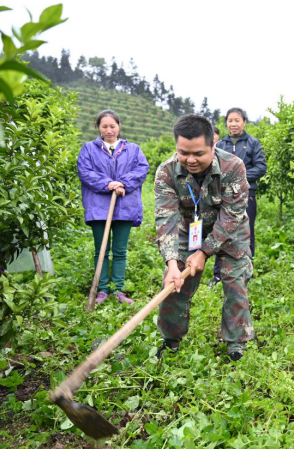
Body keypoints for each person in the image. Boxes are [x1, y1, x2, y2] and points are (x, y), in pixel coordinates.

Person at [154, 114, 255, 361]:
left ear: (213, 146)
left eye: (198, 153)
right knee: (175, 284)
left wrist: (204, 252)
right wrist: (171, 263)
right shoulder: (166, 172)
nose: (190, 160)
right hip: (190, 230)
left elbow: (232, 214)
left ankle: (236, 344)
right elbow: (166, 220)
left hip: (230, 230)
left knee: (235, 282)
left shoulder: (234, 167)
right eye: (183, 153)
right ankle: (171, 340)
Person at [77, 109, 149, 305]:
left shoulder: (133, 149)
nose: (109, 130)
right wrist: (108, 184)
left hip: (125, 206)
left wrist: (123, 183)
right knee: (101, 250)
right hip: (98, 206)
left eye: (112, 126)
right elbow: (85, 171)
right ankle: (101, 290)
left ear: (119, 126)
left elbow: (142, 168)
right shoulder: (89, 148)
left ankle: (118, 290)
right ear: (98, 128)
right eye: (104, 126)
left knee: (120, 251)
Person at [209, 108, 267, 286]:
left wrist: (238, 176)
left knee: (246, 231)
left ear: (244, 122)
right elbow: (213, 167)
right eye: (230, 120)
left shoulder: (252, 143)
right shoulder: (220, 145)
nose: (233, 124)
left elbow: (261, 167)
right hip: (223, 196)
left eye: (237, 120)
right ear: (226, 123)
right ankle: (219, 275)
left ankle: (246, 272)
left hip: (246, 194)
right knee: (221, 231)